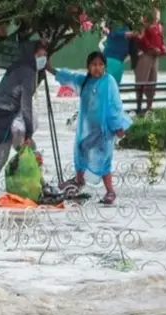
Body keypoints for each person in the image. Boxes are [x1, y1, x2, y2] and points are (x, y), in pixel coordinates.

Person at [47, 51, 132, 205]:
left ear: (105, 67)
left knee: (104, 160)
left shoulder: (109, 81)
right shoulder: (84, 81)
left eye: (100, 65)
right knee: (81, 149)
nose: (97, 68)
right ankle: (79, 181)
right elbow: (69, 77)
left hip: (105, 130)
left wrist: (119, 127)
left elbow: (115, 106)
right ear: (88, 67)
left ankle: (110, 192)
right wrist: (50, 69)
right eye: (94, 65)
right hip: (88, 129)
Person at [0, 40, 46, 202]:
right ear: (32, 55)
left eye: (45, 55)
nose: (42, 58)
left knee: (7, 154)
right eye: (39, 55)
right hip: (9, 120)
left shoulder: (17, 67)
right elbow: (26, 104)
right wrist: (28, 130)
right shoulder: (28, 72)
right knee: (13, 154)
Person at [134, 9, 166, 111]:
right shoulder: (144, 24)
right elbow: (142, 39)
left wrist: (163, 48)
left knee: (153, 81)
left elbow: (161, 40)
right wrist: (151, 48)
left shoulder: (158, 26)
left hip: (155, 56)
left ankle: (149, 106)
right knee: (141, 81)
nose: (156, 13)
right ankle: (139, 106)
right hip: (145, 55)